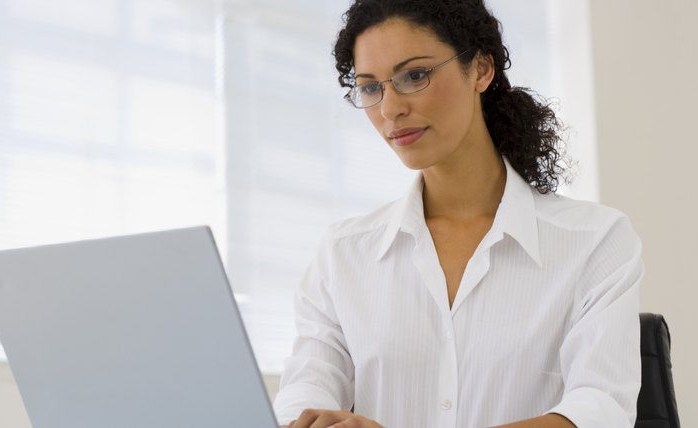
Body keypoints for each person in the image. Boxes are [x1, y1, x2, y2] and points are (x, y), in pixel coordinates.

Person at [273, 1, 642, 427]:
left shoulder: (595, 240)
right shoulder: (344, 254)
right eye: (371, 87)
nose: (390, 109)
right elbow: (304, 391)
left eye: (414, 75)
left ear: (481, 70)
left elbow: (600, 411)